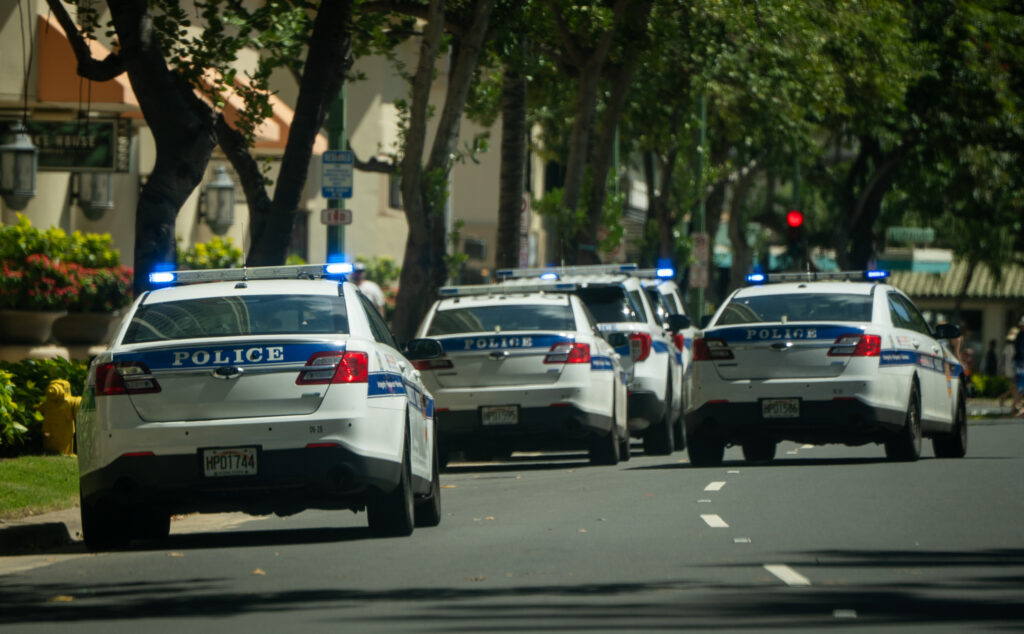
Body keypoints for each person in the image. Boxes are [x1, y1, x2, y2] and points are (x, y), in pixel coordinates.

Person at [997, 326, 1021, 413]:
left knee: (1014, 388)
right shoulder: (1012, 347)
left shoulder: (1007, 347)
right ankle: (1015, 406)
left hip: (1010, 371)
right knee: (1016, 389)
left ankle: (1006, 399)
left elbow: (1003, 361)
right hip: (1013, 371)